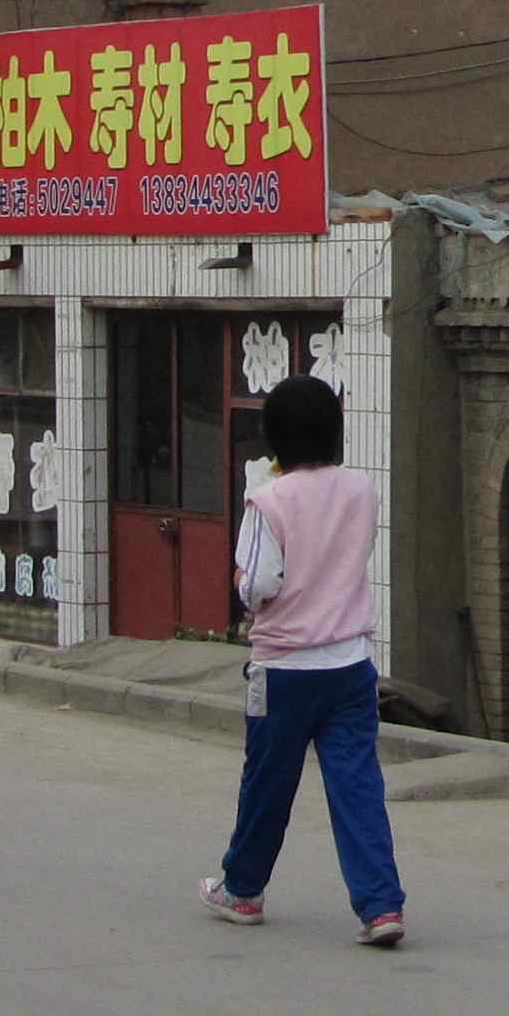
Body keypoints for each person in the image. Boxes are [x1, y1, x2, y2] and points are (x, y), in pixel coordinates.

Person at [197, 373, 406, 947]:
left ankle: (242, 889)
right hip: (349, 663)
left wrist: (241, 582)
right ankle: (381, 905)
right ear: (334, 431)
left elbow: (260, 584)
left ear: (274, 438)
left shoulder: (269, 499)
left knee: (267, 781)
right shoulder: (362, 490)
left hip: (283, 667)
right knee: (357, 784)